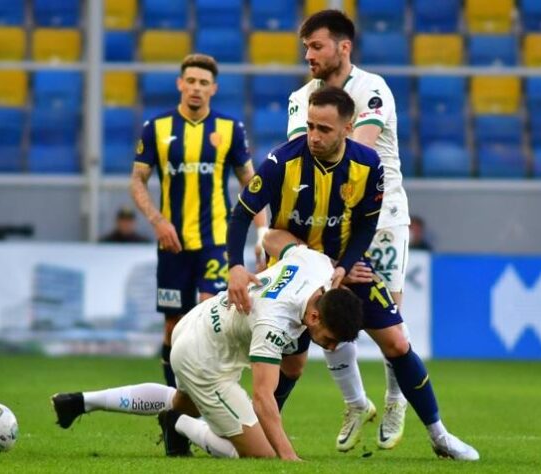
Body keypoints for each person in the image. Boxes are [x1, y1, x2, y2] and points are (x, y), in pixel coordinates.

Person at [227, 86, 479, 461]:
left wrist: (345, 266)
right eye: (310, 126)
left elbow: (365, 226)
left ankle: (439, 435)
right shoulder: (282, 161)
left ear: (347, 128)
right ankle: (255, 438)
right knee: (293, 365)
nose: (313, 136)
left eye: (324, 129)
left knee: (397, 342)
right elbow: (242, 213)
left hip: (346, 267)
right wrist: (235, 265)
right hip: (295, 271)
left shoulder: (368, 165)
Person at [51, 237, 364, 460]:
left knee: (182, 401)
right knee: (263, 454)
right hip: (205, 361)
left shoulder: (318, 265)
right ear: (314, 316)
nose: (330, 346)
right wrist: (289, 458)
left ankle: (80, 402)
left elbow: (272, 237)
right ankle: (177, 423)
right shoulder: (274, 321)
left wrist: (262, 242)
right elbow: (262, 398)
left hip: (198, 322)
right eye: (330, 339)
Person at [282, 9, 414, 450]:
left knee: (390, 315)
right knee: (328, 307)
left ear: (344, 47)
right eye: (306, 47)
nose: (308, 55)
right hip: (327, 221)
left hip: (382, 216)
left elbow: (359, 154)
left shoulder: (371, 89)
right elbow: (298, 160)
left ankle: (395, 399)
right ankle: (355, 402)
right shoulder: (301, 98)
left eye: (316, 46)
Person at [130, 53, 267, 388]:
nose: (196, 88)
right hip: (173, 245)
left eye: (203, 83)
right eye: (190, 81)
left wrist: (262, 231)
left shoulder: (230, 129)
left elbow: (251, 184)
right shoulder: (157, 128)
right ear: (180, 84)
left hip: (216, 242)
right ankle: (173, 400)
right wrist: (158, 221)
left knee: (209, 319)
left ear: (213, 89)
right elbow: (137, 180)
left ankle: (208, 398)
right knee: (173, 326)